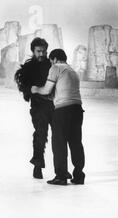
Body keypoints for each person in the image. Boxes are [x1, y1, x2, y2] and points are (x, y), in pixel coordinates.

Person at [31, 49, 85, 186]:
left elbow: (46, 90)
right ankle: (79, 175)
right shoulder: (73, 71)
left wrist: (35, 89)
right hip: (77, 109)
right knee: (76, 143)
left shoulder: (56, 68)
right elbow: (60, 92)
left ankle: (61, 177)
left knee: (59, 144)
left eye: (51, 61)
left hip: (63, 111)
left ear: (54, 59)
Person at [14, 37, 59, 179]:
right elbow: (23, 85)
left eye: (44, 51)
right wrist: (31, 90)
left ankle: (61, 170)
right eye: (39, 51)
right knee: (40, 134)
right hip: (38, 106)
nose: (42, 54)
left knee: (59, 135)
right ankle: (38, 165)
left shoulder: (52, 65)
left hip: (55, 104)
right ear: (33, 51)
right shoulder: (28, 68)